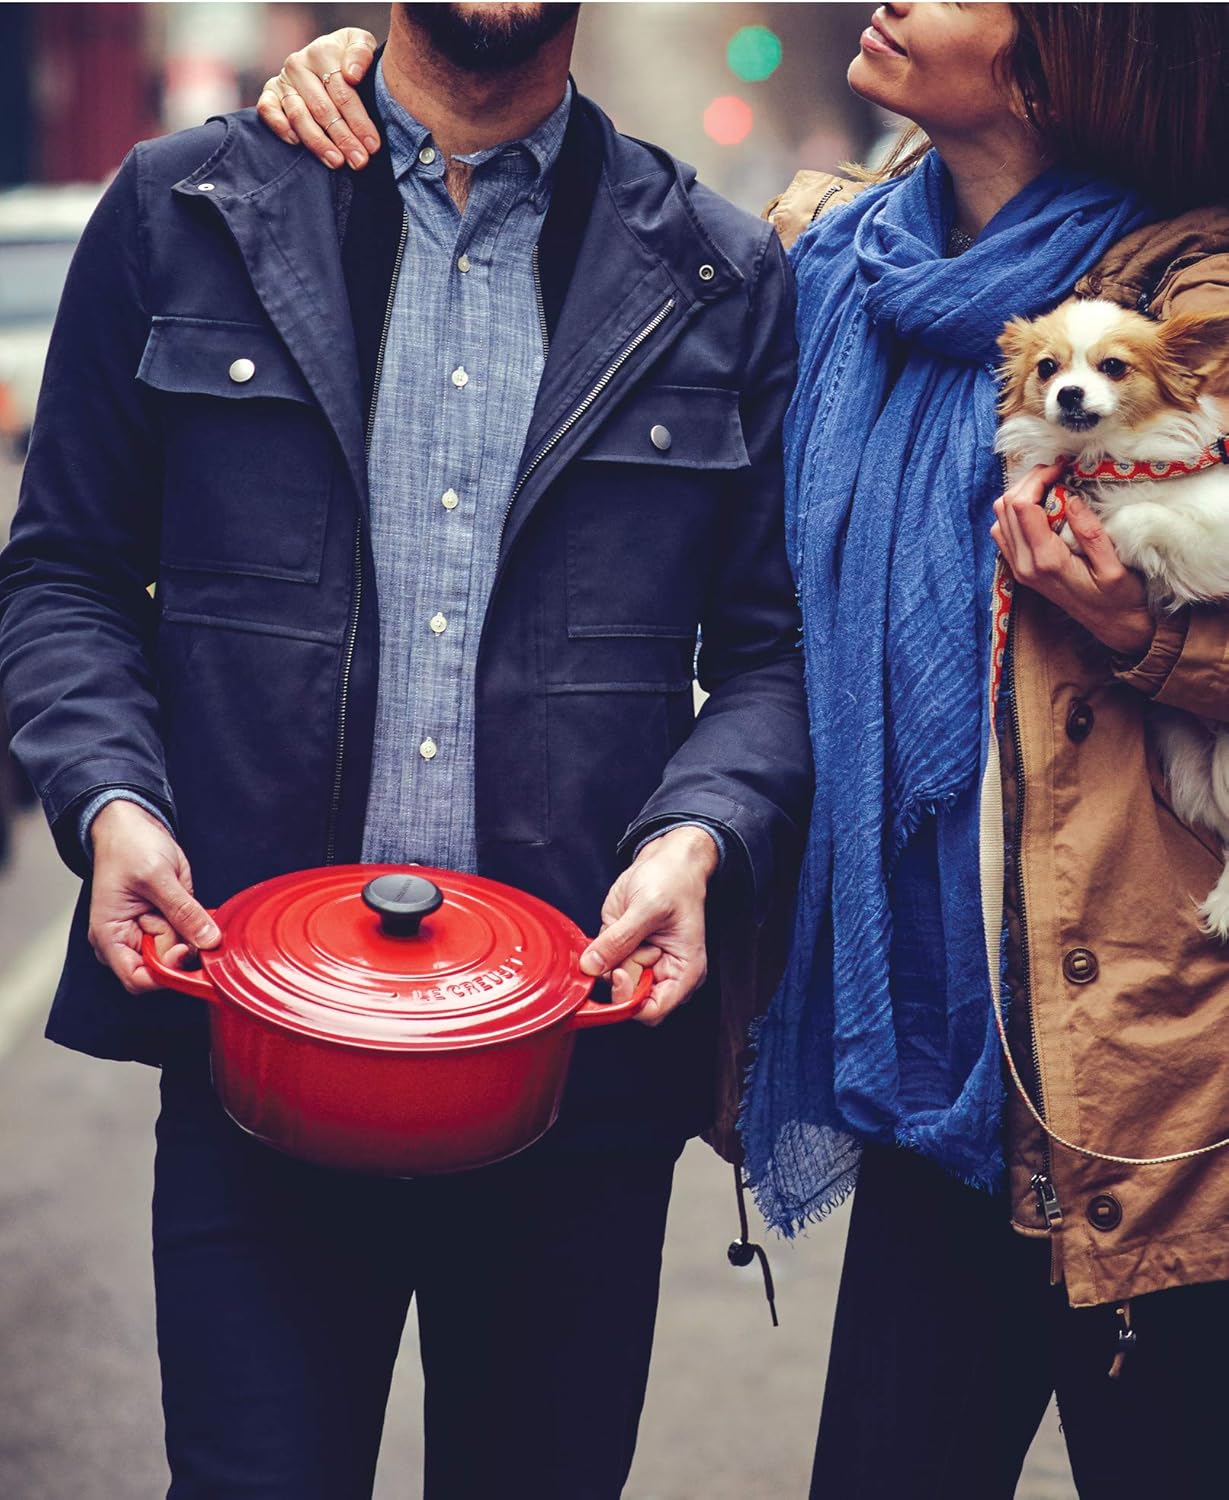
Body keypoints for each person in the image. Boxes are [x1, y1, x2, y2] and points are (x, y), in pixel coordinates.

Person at [264, 4, 1229, 1496]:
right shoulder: (818, 263)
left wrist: (1148, 633)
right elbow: (754, 617)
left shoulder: (1189, 305)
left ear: (1076, 46)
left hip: (1151, 1087)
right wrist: (351, 74)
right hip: (936, 1078)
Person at [0, 5, 810, 1496]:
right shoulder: (189, 209)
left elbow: (773, 652)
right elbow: (64, 574)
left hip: (572, 1075)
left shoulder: (719, 270)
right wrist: (111, 798)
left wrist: (696, 834)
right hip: (265, 1066)